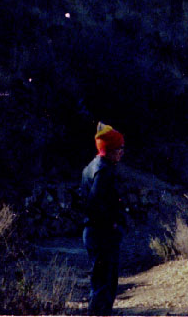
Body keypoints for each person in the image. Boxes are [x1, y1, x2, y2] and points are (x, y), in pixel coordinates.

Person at [80, 123, 128, 315]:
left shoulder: (92, 166)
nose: (122, 152)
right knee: (104, 282)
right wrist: (113, 223)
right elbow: (95, 203)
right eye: (119, 148)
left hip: (94, 232)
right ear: (109, 149)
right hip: (102, 234)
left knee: (100, 281)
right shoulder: (104, 170)